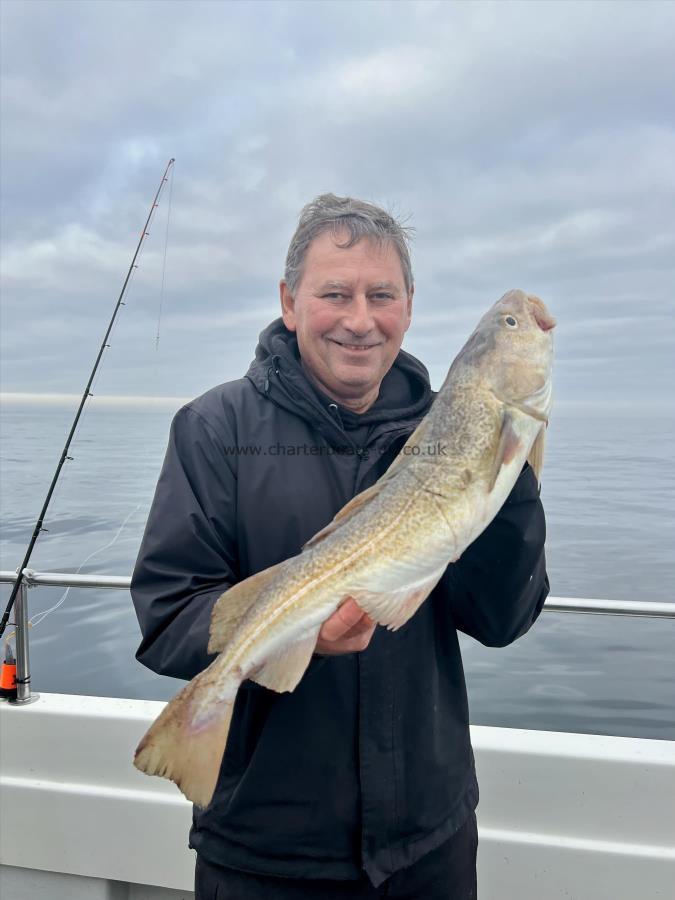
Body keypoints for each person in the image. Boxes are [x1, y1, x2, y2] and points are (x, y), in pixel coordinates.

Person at [131, 194, 549, 899]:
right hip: (264, 855)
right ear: (290, 302)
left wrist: (510, 475)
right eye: (334, 294)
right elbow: (169, 618)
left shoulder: (449, 426)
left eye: (381, 294)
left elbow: (502, 619)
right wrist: (293, 638)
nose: (360, 319)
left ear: (409, 306)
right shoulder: (213, 428)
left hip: (429, 844)